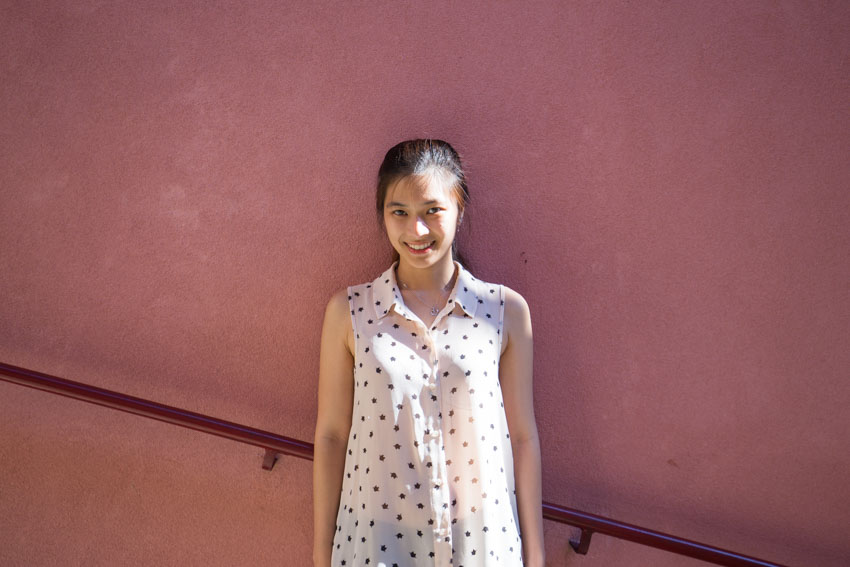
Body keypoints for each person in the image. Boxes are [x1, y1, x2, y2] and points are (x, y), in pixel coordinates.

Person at [313, 139, 544, 567]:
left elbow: (524, 438)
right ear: (382, 215)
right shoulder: (350, 312)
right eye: (399, 212)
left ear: (459, 209)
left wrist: (536, 555)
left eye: (432, 211)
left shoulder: (504, 311)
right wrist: (321, 552)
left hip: (481, 541)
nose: (416, 231)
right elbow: (331, 436)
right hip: (375, 540)